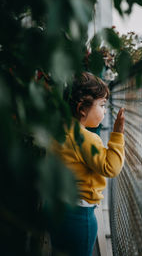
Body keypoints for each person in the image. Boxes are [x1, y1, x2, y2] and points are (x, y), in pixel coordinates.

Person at [50, 72, 125, 256]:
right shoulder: (88, 139)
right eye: (102, 105)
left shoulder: (59, 130)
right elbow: (111, 167)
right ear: (82, 109)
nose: (105, 111)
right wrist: (117, 134)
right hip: (80, 217)